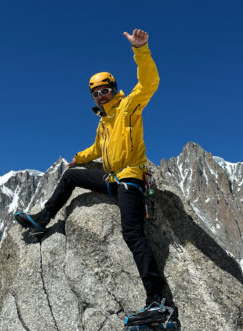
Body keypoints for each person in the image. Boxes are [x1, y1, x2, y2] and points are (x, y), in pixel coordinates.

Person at [15, 29, 165, 309]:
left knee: (133, 234)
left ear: (114, 89)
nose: (100, 96)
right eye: (95, 93)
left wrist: (141, 50)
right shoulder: (103, 122)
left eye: (105, 90)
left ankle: (156, 300)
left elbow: (149, 82)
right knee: (71, 175)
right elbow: (97, 149)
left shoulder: (129, 107)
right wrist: (79, 157)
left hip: (130, 179)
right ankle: (42, 220)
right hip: (111, 179)